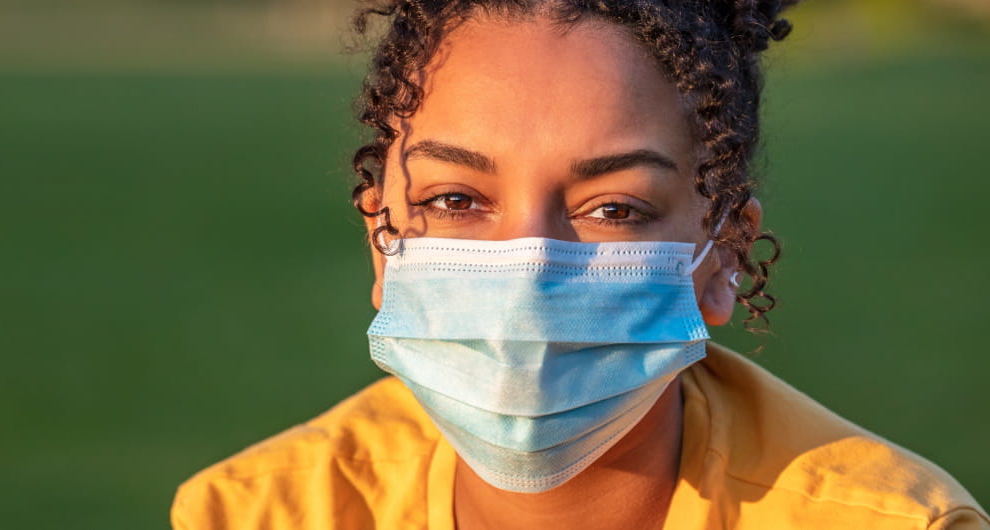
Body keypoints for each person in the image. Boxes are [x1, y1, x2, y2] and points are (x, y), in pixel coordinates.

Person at [170, 1, 987, 529]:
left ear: (722, 256)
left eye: (614, 209)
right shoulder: (257, 514)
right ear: (379, 240)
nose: (528, 272)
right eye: (458, 200)